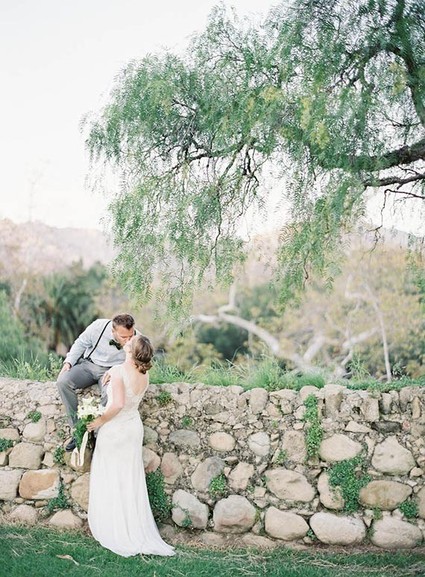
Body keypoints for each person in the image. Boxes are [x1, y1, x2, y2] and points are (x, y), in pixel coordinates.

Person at [87, 334, 175, 558]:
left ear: (131, 350)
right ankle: (132, 527)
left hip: (116, 429)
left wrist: (98, 421)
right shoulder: (144, 374)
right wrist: (110, 374)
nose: (128, 340)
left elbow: (117, 404)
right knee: (129, 479)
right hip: (133, 427)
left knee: (111, 476)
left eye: (131, 341)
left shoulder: (119, 371)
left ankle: (114, 529)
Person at [57, 313, 137, 451]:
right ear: (113, 331)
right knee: (62, 382)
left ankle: (99, 435)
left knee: (110, 394)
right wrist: (68, 362)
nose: (128, 340)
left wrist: (119, 370)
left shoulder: (137, 338)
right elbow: (80, 343)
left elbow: (138, 362)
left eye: (131, 336)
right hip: (89, 365)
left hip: (111, 372)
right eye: (124, 337)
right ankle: (78, 432)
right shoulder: (98, 327)